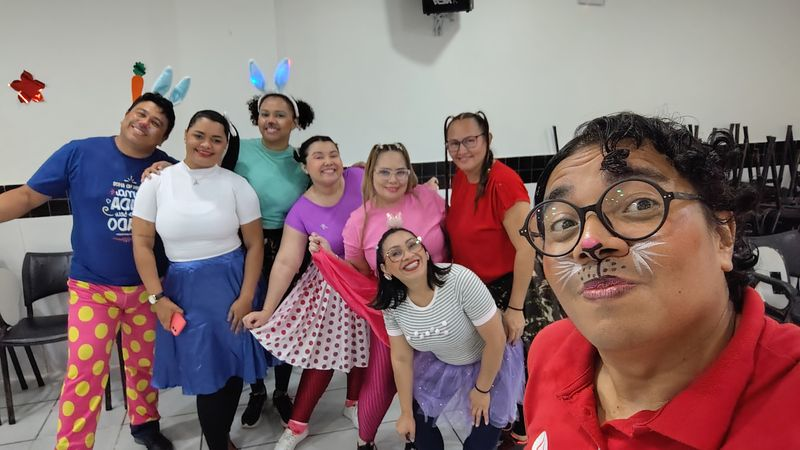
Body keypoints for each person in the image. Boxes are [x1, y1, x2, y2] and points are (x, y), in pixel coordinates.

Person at [520, 112, 800, 449]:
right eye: (563, 224)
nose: (589, 243)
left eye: (640, 204)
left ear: (723, 236)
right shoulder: (550, 351)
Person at [0, 93, 176, 449]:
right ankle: (74, 445)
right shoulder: (79, 152)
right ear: (125, 115)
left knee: (144, 365)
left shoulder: (170, 169)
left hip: (149, 290)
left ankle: (145, 425)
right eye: (140, 113)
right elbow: (26, 197)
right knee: (85, 371)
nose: (145, 122)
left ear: (163, 137)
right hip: (92, 290)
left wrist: (175, 173)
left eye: (156, 122)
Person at [144, 91, 315, 426]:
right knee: (247, 325)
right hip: (245, 247)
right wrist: (163, 166)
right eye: (265, 113)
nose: (271, 120)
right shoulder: (239, 149)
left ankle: (281, 392)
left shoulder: (302, 160)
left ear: (295, 122)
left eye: (280, 115)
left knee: (283, 323)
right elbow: (200, 166)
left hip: (288, 247)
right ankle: (256, 391)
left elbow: (328, 173)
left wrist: (356, 170)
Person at [132, 110, 267, 450]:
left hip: (232, 284)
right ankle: (218, 443)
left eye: (216, 139)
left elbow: (254, 245)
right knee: (205, 372)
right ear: (186, 135)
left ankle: (221, 438)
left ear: (225, 146)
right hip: (184, 290)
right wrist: (157, 298)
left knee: (232, 368)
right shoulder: (156, 182)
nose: (206, 144)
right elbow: (142, 243)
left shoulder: (236, 185)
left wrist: (246, 296)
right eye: (199, 136)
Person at [242, 136, 369, 449]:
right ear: (304, 166)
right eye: (318, 156)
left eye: (333, 154)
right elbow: (287, 261)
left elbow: (393, 192)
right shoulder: (301, 210)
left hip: (369, 277)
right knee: (323, 356)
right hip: (331, 289)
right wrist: (268, 310)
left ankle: (353, 403)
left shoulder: (359, 177)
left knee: (365, 345)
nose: (328, 161)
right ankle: (298, 424)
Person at [444, 111, 558, 447]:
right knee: (497, 371)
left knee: (521, 368)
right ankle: (505, 428)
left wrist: (516, 309)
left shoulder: (503, 182)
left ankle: (526, 433)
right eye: (454, 143)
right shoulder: (460, 176)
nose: (462, 150)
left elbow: (527, 248)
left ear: (487, 139)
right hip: (477, 290)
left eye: (470, 140)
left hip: (513, 288)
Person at [374, 228, 524, 450]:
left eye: (412, 244)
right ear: (385, 269)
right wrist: (405, 413)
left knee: (480, 444)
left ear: (425, 251)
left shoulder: (459, 280)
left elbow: (495, 340)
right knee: (421, 434)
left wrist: (482, 390)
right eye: (395, 253)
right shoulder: (393, 304)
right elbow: (401, 358)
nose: (408, 255)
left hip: (491, 362)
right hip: (443, 361)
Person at [341, 143, 446, 450]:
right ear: (370, 174)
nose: (393, 179)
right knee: (382, 379)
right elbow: (361, 273)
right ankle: (365, 440)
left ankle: (419, 438)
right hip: (394, 311)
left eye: (401, 171)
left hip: (441, 304)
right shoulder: (358, 221)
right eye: (384, 172)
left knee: (427, 380)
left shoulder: (428, 198)